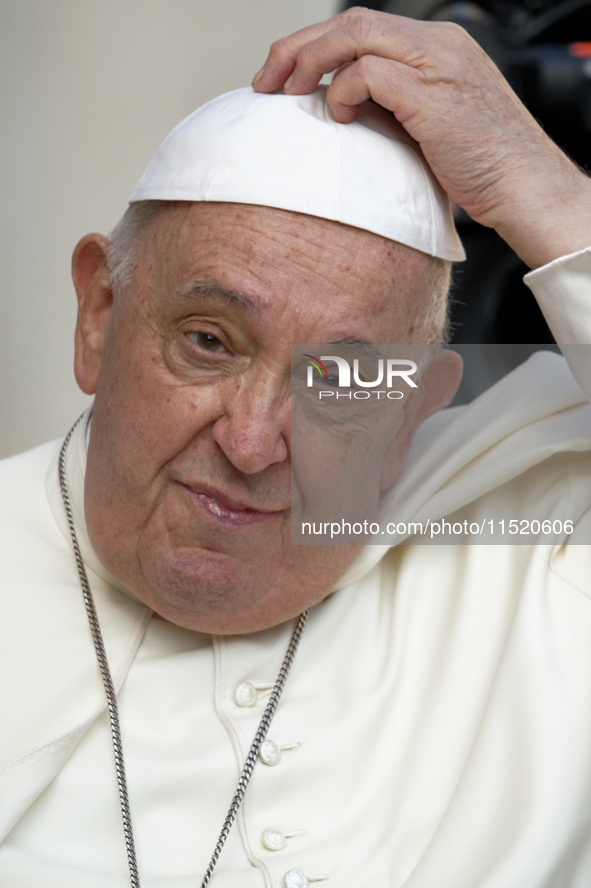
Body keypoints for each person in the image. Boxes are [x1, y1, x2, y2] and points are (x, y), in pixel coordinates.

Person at [1, 7, 591, 887]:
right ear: (99, 316)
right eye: (208, 341)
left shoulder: (543, 547)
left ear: (411, 416)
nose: (249, 442)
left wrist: (545, 194)